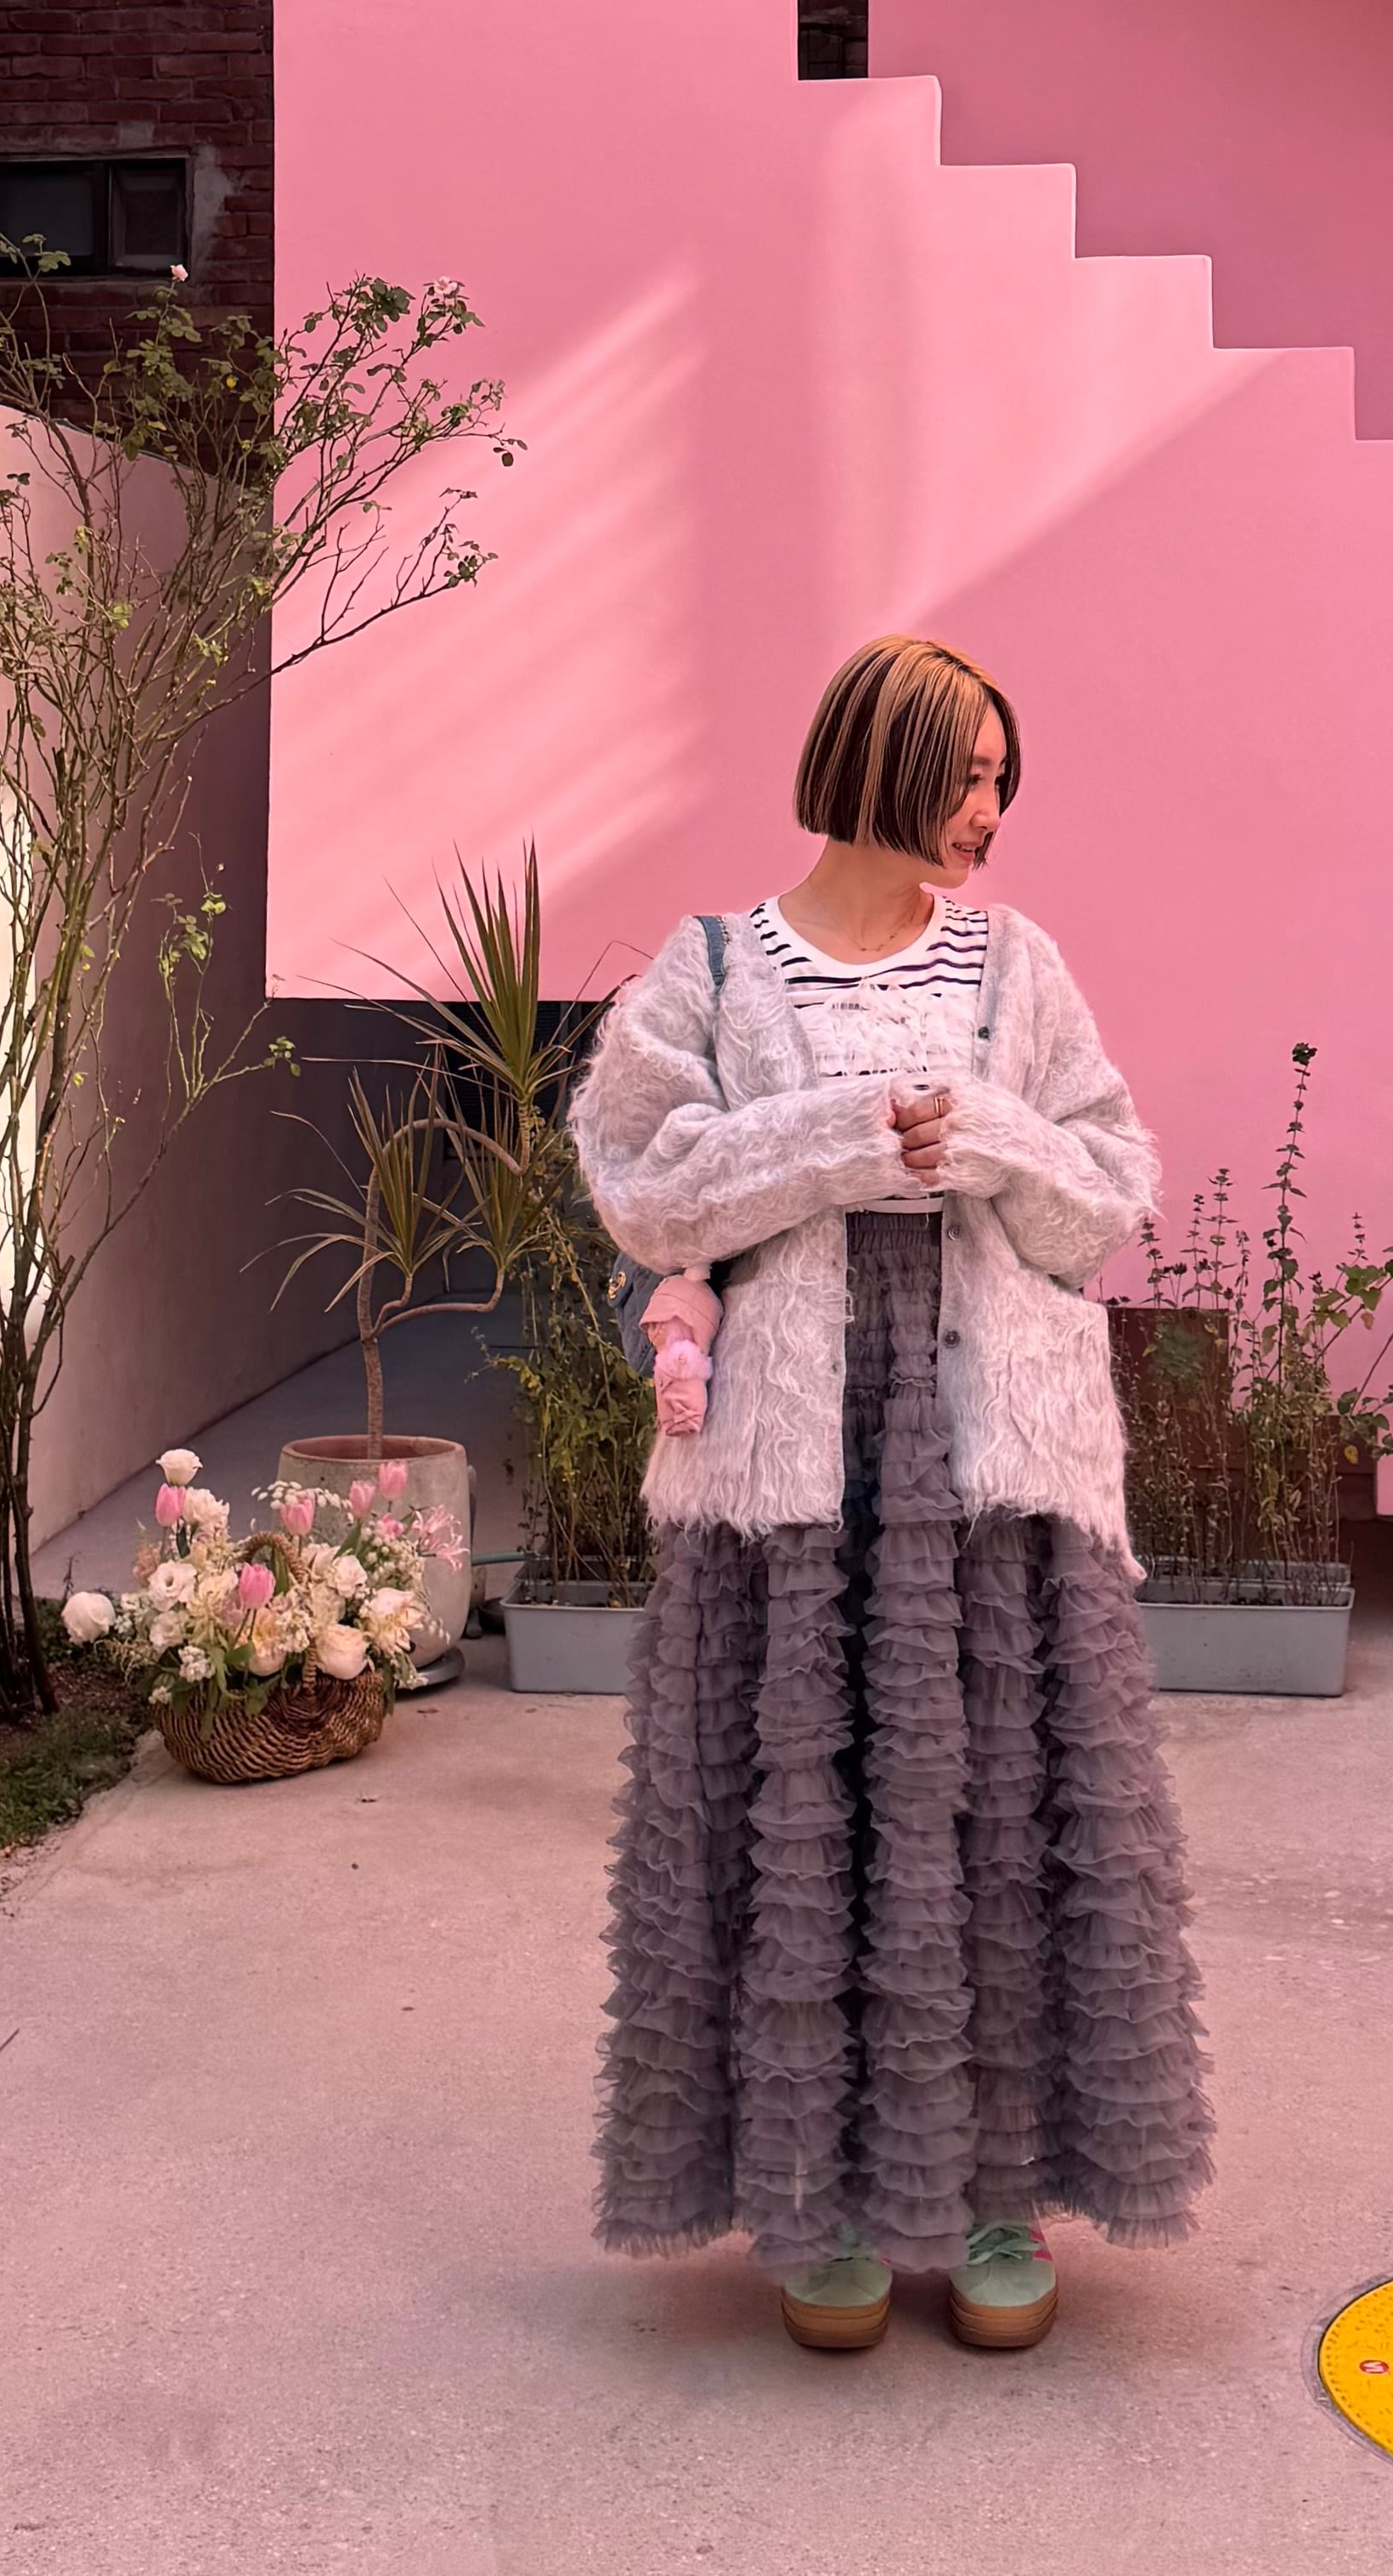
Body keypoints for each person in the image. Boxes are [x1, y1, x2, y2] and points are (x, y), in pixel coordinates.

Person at [572, 634, 1212, 2353]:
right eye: (968, 771)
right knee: (807, 1815)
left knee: (993, 1816)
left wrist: (985, 1139)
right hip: (788, 1472)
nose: (990, 808)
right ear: (881, 759)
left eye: (1003, 777)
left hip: (990, 1463)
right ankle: (825, 2195)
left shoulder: (1019, 966)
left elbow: (1104, 1197)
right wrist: (849, 1136)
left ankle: (997, 2190)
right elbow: (644, 1187)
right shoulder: (714, 967)